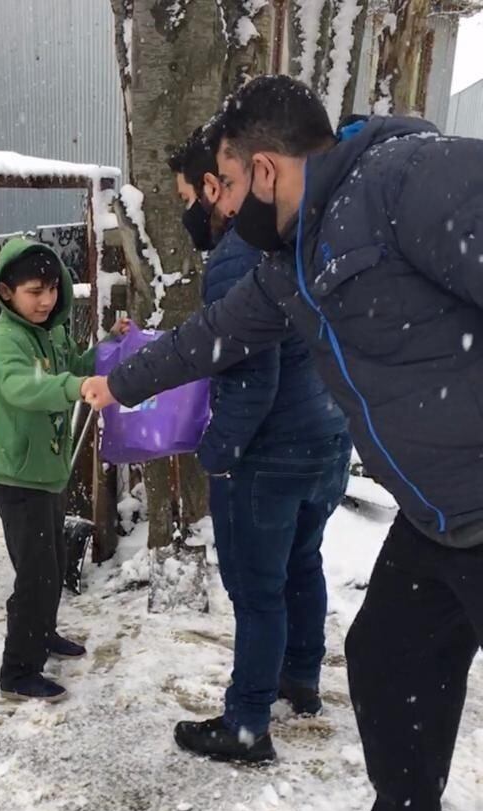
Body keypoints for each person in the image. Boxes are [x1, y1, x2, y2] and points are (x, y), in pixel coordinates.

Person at [84, 75, 483, 811]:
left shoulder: (410, 177)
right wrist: (120, 387)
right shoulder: (291, 264)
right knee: (386, 657)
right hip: (436, 518)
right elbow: (211, 338)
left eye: (224, 185)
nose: (218, 206)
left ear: (263, 170)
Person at [167, 127, 350, 765]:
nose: (189, 209)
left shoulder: (238, 257)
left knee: (257, 590)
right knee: (303, 564)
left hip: (270, 454)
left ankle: (246, 724)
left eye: (188, 195)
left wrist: (218, 452)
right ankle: (299, 681)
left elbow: (252, 375)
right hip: (326, 437)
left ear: (217, 189)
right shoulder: (301, 233)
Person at [0, 238, 95, 703]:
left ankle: (42, 635)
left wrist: (106, 352)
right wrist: (76, 385)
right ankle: (18, 670)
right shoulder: (5, 340)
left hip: (47, 473)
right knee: (35, 578)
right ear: (7, 292)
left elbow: (70, 368)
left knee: (54, 567)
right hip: (17, 478)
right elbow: (23, 388)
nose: (46, 299)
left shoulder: (51, 330)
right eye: (34, 291)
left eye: (51, 288)